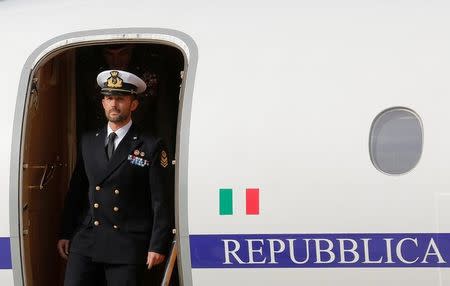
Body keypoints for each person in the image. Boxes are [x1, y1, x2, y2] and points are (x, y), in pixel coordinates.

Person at [57, 69, 173, 286]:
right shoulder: (89, 140)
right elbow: (77, 191)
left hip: (127, 242)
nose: (114, 104)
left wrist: (157, 245)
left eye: (120, 99)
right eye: (109, 98)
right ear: (102, 103)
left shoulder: (150, 145)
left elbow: (161, 201)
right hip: (87, 239)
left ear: (133, 104)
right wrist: (66, 232)